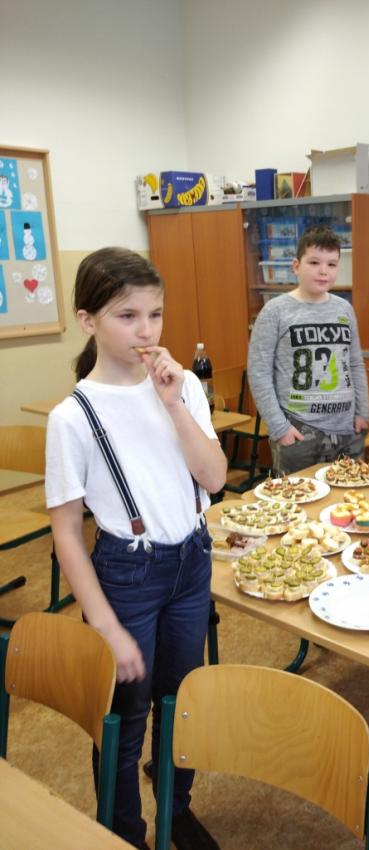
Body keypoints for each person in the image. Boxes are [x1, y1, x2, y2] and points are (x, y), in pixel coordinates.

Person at [45, 247, 226, 850]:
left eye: (155, 314)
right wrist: (106, 627)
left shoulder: (184, 386)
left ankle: (177, 807)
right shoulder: (74, 416)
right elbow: (66, 532)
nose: (146, 331)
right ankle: (125, 832)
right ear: (88, 320)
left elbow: (214, 478)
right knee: (123, 722)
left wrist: (174, 404)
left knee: (180, 702)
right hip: (128, 576)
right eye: (127, 316)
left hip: (192, 562)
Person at [248, 224, 369, 475]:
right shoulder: (275, 311)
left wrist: (362, 412)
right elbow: (259, 372)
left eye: (332, 264)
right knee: (299, 497)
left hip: (347, 429)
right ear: (296, 266)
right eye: (314, 262)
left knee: (349, 496)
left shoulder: (344, 309)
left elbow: (355, 363)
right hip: (299, 430)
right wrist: (279, 427)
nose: (324, 271)